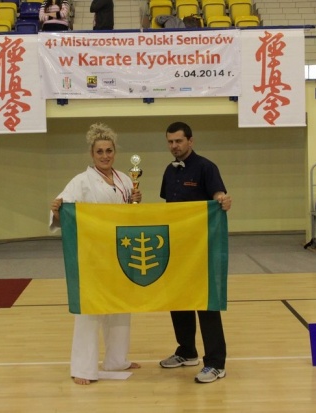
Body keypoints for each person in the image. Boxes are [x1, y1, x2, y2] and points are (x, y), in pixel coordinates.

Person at [49, 123, 142, 385]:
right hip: (92, 253)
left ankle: (117, 360)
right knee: (90, 310)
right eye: (99, 151)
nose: (105, 155)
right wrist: (56, 210)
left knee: (120, 307)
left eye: (109, 150)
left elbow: (130, 214)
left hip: (121, 251)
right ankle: (83, 368)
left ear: (115, 152)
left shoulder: (125, 179)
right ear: (92, 154)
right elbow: (64, 212)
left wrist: (136, 203)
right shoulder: (80, 181)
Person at [158, 121, 232, 384]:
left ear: (190, 141)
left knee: (205, 304)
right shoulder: (169, 171)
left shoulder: (206, 167)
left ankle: (216, 363)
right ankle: (187, 351)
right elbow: (169, 207)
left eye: (178, 141)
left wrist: (223, 200)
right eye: (170, 142)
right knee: (179, 300)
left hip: (202, 249)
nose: (174, 146)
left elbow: (219, 194)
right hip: (177, 248)